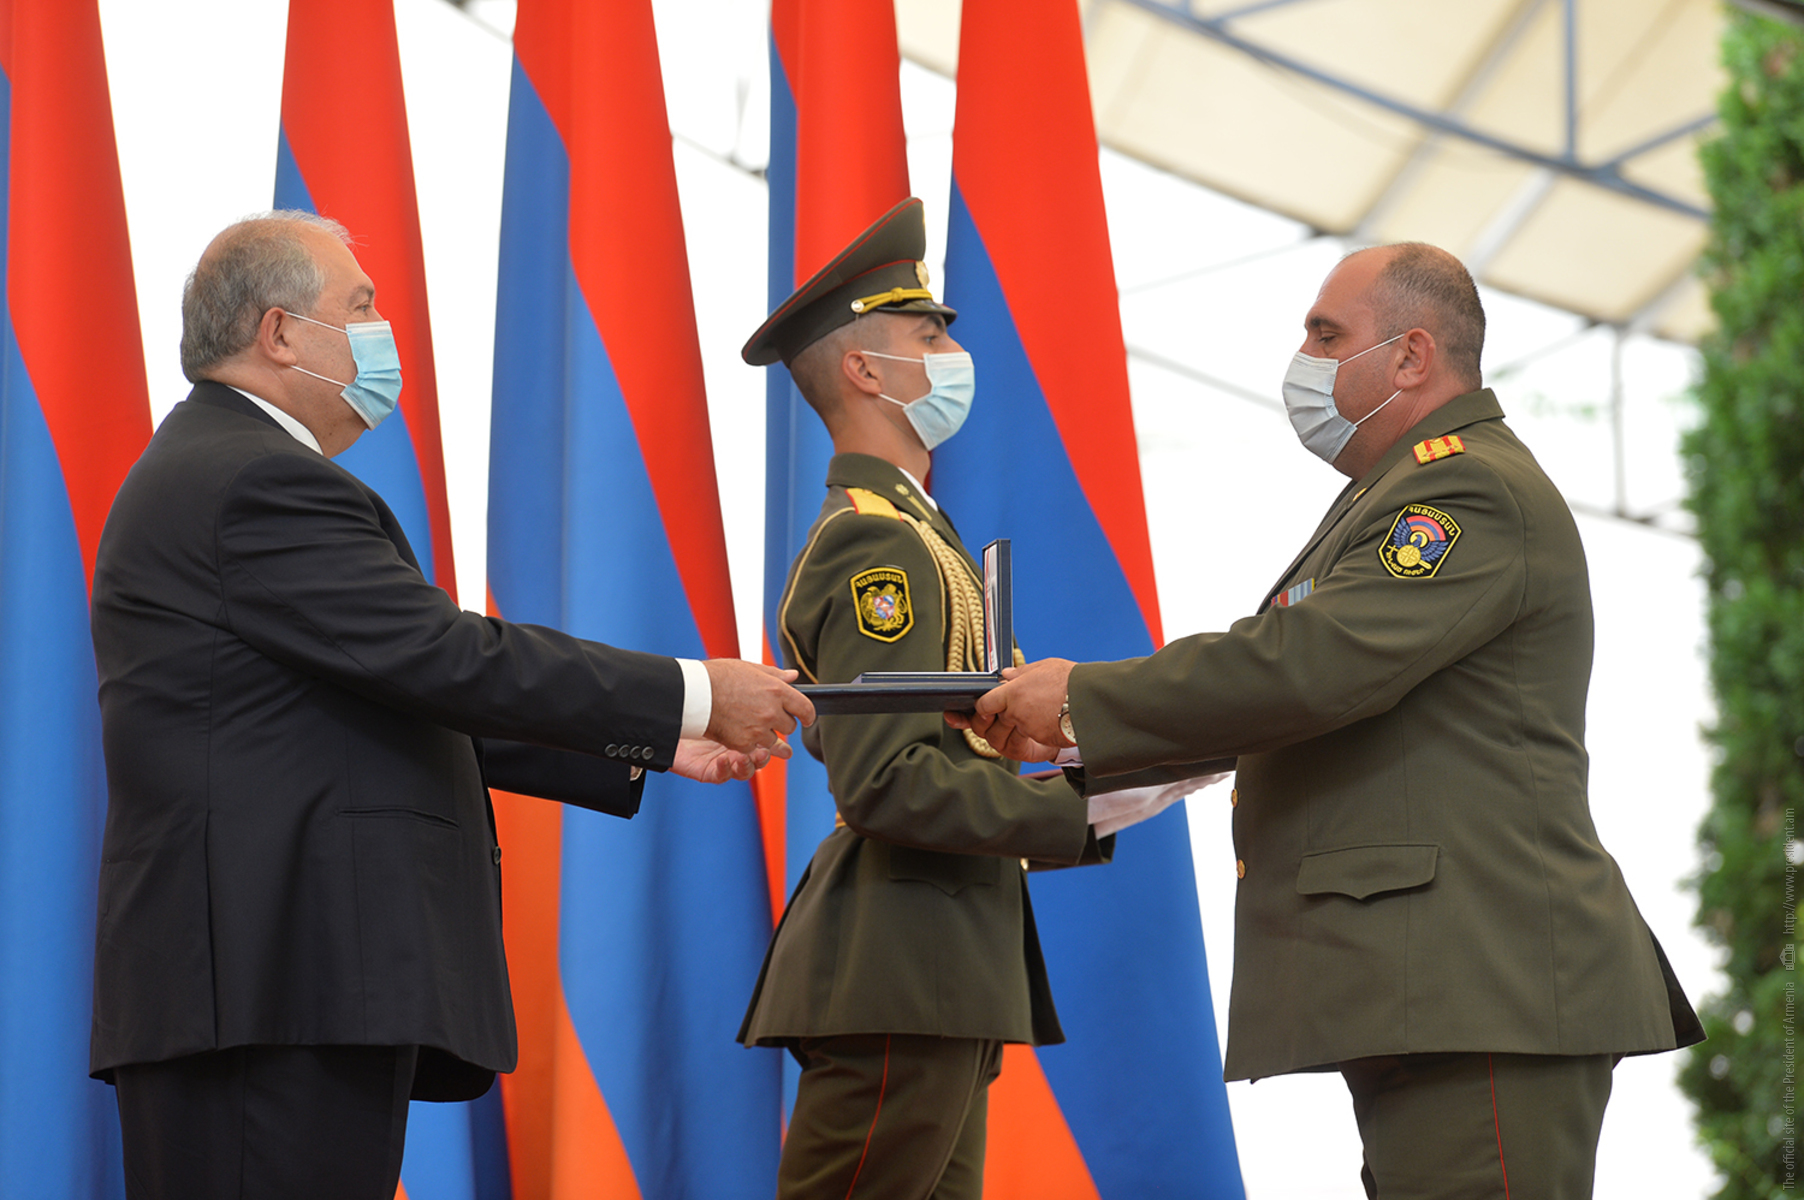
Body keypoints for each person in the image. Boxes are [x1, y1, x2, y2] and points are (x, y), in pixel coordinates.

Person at [89, 210, 815, 1200]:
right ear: (279, 333)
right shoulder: (256, 480)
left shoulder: (222, 467)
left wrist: (652, 742)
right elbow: (440, 656)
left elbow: (375, 695)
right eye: (360, 306)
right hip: (269, 986)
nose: (382, 329)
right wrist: (691, 692)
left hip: (271, 988)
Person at [962, 243, 1704, 1199]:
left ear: (1411, 355)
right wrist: (1085, 746)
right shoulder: (1390, 494)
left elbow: (1309, 668)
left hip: (1484, 987)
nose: (1303, 359)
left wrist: (1082, 699)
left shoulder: (1465, 488)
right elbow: (1302, 696)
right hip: (1437, 990)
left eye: (1326, 334)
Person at [736, 199, 1180, 1200]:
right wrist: (1081, 807)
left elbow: (948, 750)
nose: (952, 352)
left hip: (939, 956)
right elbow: (886, 781)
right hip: (903, 956)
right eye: (928, 336)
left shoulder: (917, 529)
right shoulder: (874, 539)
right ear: (865, 371)